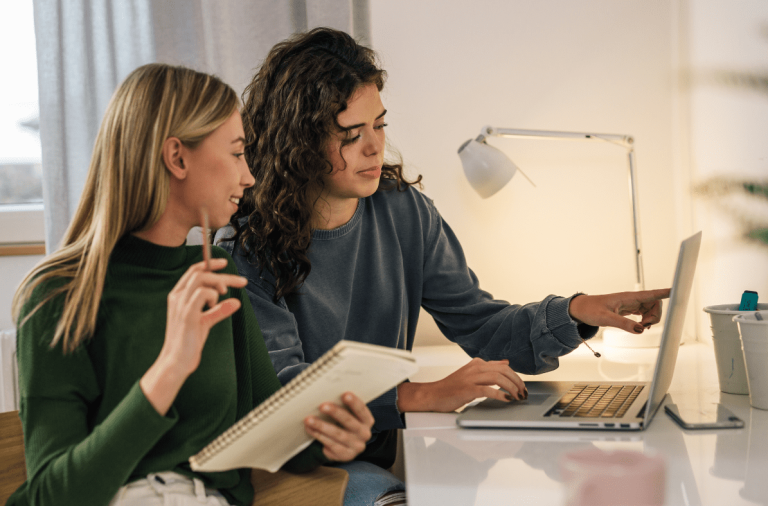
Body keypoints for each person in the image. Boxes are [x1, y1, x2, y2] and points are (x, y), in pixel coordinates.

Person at [215, 27, 670, 503]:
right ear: (299, 143)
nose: (374, 147)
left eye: (380, 125)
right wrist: (416, 395)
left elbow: (485, 327)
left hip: (365, 467)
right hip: (290, 473)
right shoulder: (246, 247)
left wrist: (575, 311)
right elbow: (286, 399)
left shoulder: (403, 212)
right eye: (351, 135)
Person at [8, 63, 375, 506]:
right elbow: (53, 495)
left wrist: (329, 436)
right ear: (177, 157)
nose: (249, 177)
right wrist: (170, 367)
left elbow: (266, 427)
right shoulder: (57, 294)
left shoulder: (217, 274)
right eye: (237, 153)